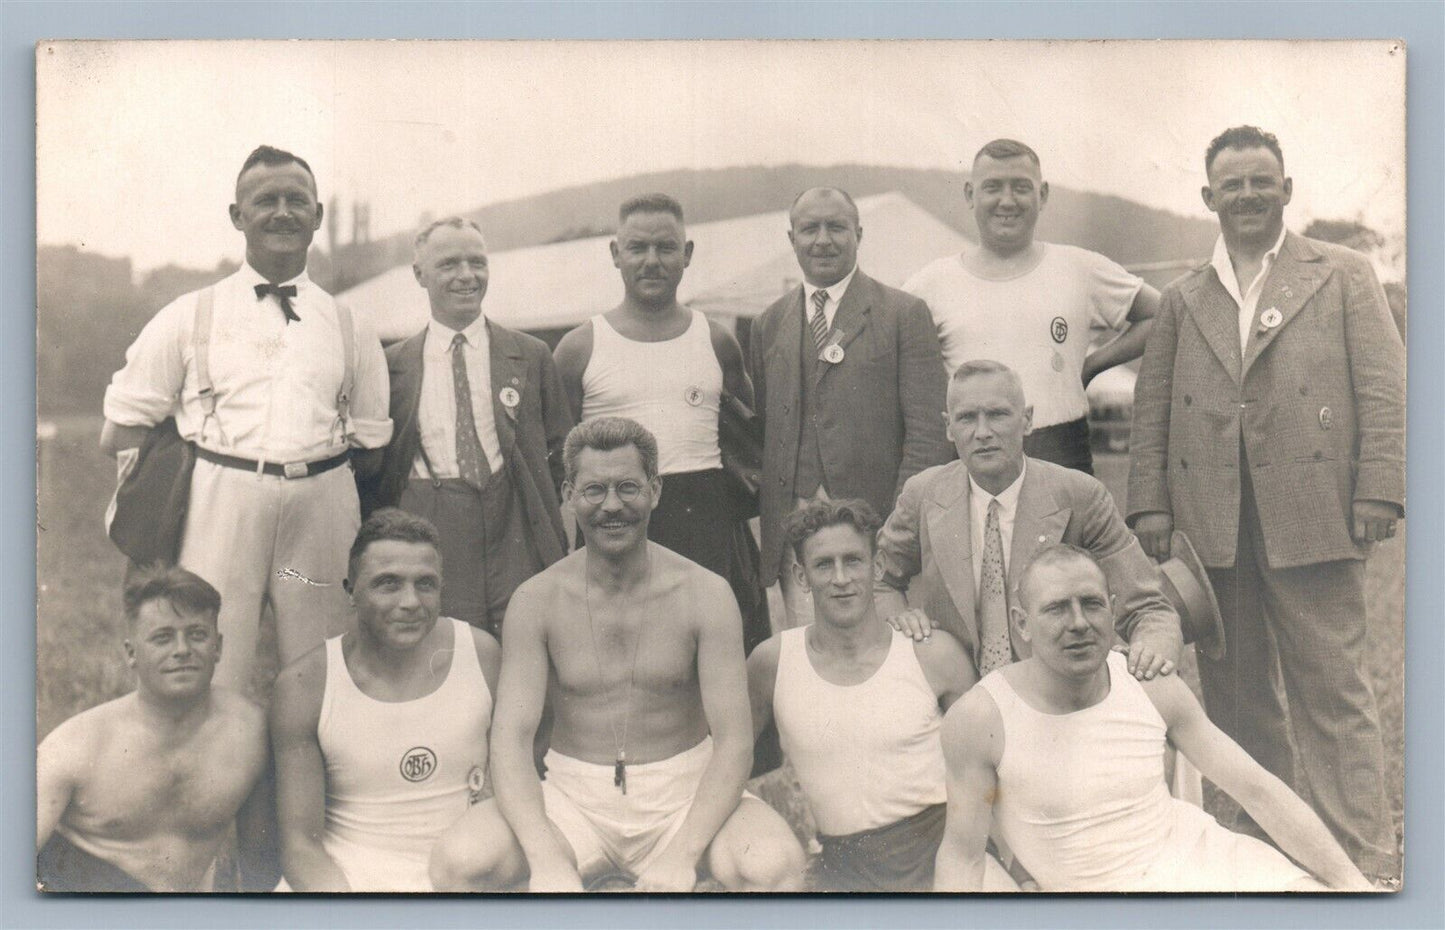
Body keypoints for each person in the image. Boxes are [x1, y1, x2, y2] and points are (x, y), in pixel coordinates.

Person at [1127, 125, 1404, 883]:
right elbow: (1152, 407)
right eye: (1232, 184)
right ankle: (1262, 852)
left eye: (1261, 181)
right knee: (1235, 700)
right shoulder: (1186, 297)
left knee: (1334, 696)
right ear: (1207, 197)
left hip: (1314, 517)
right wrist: (1149, 504)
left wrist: (1379, 487)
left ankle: (1362, 859)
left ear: (1285, 189)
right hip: (1212, 530)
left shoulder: (1343, 274)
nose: (1246, 195)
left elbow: (1384, 388)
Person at [429, 417, 805, 892]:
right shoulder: (537, 599)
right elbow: (510, 741)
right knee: (457, 862)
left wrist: (682, 855)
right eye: (594, 490)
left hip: (684, 796)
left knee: (776, 868)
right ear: (568, 494)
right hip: (573, 799)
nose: (612, 506)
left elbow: (733, 742)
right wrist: (545, 859)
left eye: (628, 487)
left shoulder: (705, 594)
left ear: (655, 490)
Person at [101, 145, 392, 691]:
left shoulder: (352, 325)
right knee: (213, 669)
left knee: (324, 670)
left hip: (320, 505)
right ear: (238, 216)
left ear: (317, 217)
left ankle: (312, 775)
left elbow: (372, 441)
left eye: (296, 201)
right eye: (266, 201)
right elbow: (119, 428)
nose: (282, 212)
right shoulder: (188, 315)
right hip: (222, 503)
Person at [934, 544, 1373, 892]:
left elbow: (1257, 791)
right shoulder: (981, 717)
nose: (1079, 623)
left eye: (1091, 604)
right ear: (1021, 623)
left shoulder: (1147, 684)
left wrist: (1351, 885)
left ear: (1112, 609)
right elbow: (964, 856)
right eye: (1056, 608)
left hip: (1206, 867)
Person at [747, 499, 1014, 892]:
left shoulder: (931, 653)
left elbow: (995, 767)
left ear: (876, 567)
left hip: (946, 853)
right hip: (844, 867)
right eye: (824, 565)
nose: (841, 578)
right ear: (802, 577)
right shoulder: (773, 662)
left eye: (853, 561)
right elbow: (727, 756)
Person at [875, 360, 1182, 681]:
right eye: (967, 418)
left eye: (998, 415)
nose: (982, 432)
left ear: (1027, 420)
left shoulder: (1080, 494)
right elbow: (878, 581)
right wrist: (901, 619)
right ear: (949, 427)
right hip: (955, 691)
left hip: (1057, 692)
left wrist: (1150, 650)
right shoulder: (923, 493)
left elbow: (1148, 606)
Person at [554, 193, 768, 650]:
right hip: (614, 519)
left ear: (687, 255)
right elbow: (557, 461)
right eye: (637, 248)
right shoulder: (579, 347)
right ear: (615, 254)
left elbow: (744, 444)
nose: (652, 261)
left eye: (666, 248)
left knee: (715, 653)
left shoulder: (716, 340)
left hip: (705, 518)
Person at [358, 216, 572, 635]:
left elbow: (559, 452)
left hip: (512, 517)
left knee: (523, 637)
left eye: (477, 262)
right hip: (432, 518)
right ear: (420, 274)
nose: (466, 276)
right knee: (445, 645)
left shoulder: (530, 355)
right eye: (449, 264)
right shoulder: (393, 365)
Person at [750, 187, 951, 628]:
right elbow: (768, 428)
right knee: (811, 658)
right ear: (792, 239)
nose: (822, 239)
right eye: (809, 229)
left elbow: (928, 435)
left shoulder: (904, 314)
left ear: (858, 233)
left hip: (879, 531)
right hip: (795, 537)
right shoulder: (767, 324)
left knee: (887, 655)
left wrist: (898, 531)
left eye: (836, 227)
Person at [270, 509, 500, 892]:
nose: (410, 601)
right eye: (388, 584)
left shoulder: (481, 654)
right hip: (348, 879)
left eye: (425, 584)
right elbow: (300, 846)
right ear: (351, 591)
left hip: (464, 875)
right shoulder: (305, 684)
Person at [904, 139, 1160, 474]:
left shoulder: (1081, 268)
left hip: (1060, 450)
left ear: (1043, 195)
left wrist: (1092, 365)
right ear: (969, 194)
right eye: (993, 187)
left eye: (1021, 187)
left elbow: (1163, 314)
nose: (1007, 201)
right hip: (969, 456)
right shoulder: (930, 283)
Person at [37, 566, 276, 892]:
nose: (182, 650)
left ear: (218, 646)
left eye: (196, 634)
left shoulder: (250, 733)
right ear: (132, 653)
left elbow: (260, 866)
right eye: (163, 638)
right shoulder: (75, 746)